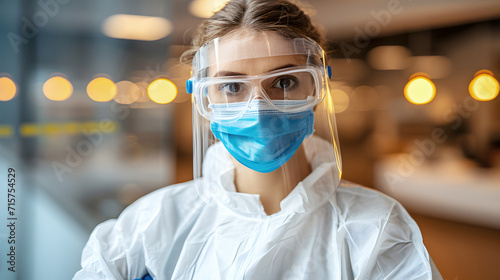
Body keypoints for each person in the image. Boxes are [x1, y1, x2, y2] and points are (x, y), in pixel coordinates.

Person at [73, 0, 442, 279]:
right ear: (205, 100)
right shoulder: (151, 224)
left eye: (284, 82)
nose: (259, 110)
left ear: (318, 89)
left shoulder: (375, 230)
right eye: (231, 87)